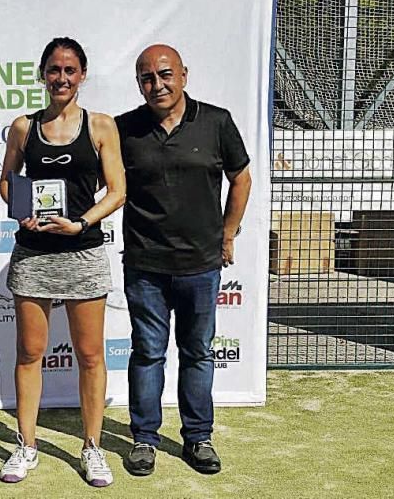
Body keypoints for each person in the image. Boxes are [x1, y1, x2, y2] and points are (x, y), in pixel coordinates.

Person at [115, 44, 252, 477]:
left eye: (165, 75)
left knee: (197, 353)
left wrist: (228, 234)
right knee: (148, 353)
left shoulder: (217, 122)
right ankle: (143, 440)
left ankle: (198, 438)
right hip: (145, 264)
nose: (157, 85)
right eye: (147, 78)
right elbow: (95, 177)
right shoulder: (124, 129)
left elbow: (241, 177)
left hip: (200, 265)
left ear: (184, 75)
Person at [0, 37, 125, 487]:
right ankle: (26, 445)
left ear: (82, 75)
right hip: (33, 257)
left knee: (90, 356)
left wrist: (82, 222)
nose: (62, 78)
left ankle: (93, 447)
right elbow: (8, 184)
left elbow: (117, 190)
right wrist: (24, 213)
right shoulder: (22, 128)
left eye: (70, 70)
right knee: (30, 354)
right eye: (54, 70)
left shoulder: (101, 126)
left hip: (84, 253)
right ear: (43, 74)